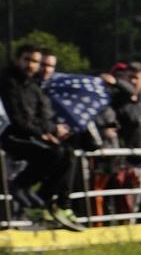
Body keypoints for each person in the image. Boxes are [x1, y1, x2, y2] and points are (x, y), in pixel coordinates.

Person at [0, 43, 84, 228]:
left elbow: (43, 116)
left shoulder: (34, 87)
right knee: (53, 154)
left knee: (66, 155)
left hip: (31, 135)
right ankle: (21, 185)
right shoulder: (8, 82)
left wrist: (51, 131)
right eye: (27, 60)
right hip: (11, 137)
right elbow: (18, 119)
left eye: (35, 61)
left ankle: (44, 199)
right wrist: (46, 131)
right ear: (17, 60)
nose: (31, 65)